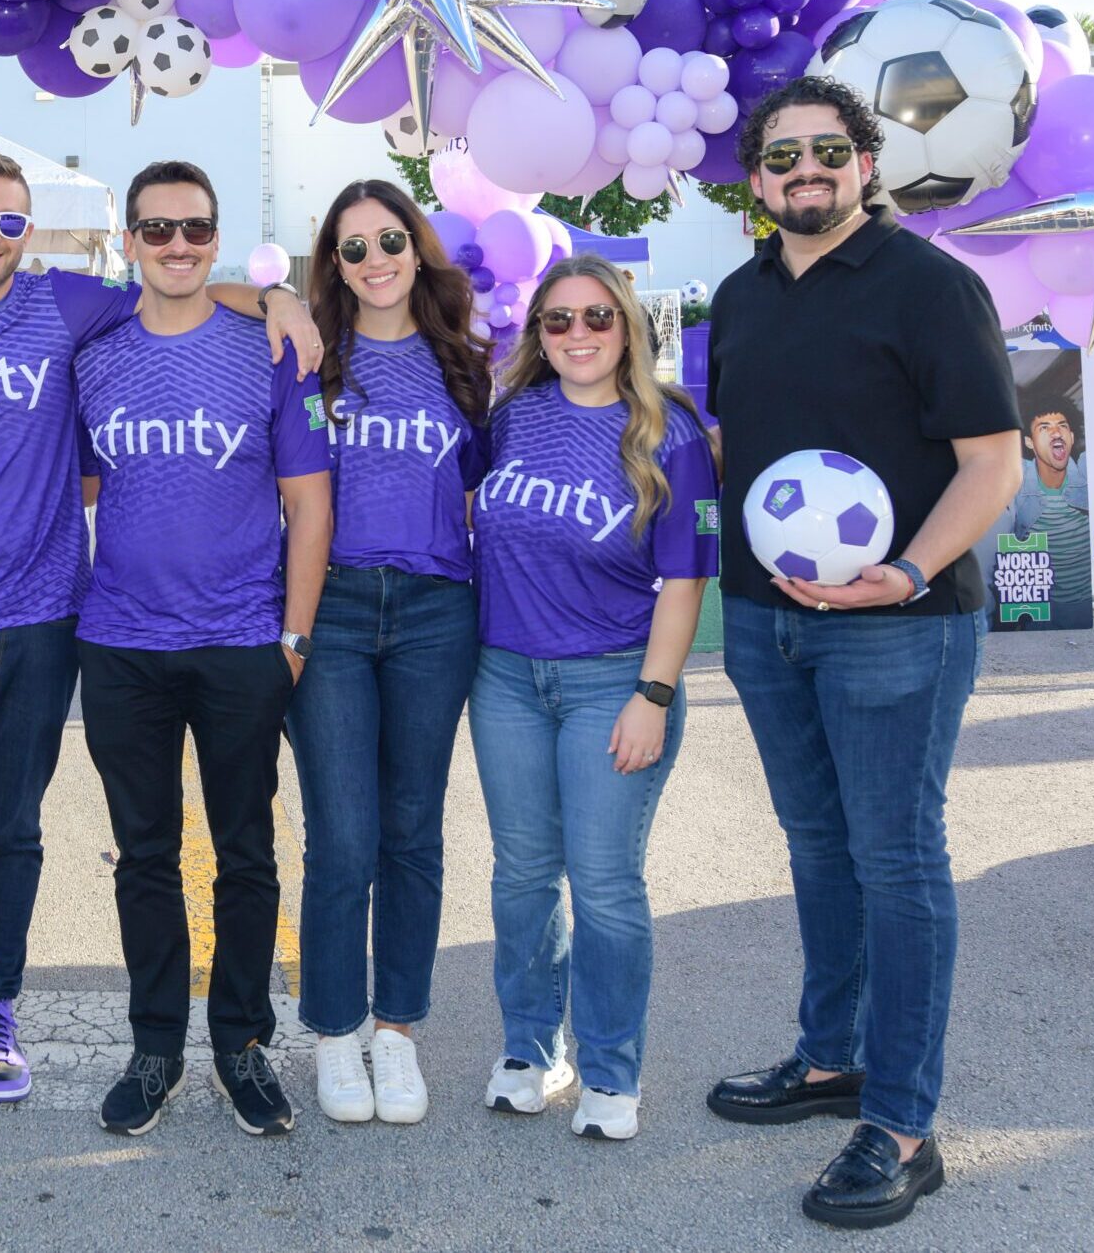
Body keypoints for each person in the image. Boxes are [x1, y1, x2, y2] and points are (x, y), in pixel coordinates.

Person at [0, 151, 317, 1113]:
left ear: (33, 235)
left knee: (48, 836)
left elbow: (185, 297)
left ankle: (57, 1020)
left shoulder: (73, 310)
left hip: (79, 621)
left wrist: (280, 299)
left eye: (10, 223)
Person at [702, 76, 1021, 1229]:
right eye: (780, 156)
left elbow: (992, 461)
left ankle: (899, 1120)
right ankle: (828, 1055)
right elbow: (740, 444)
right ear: (755, 177)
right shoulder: (737, 296)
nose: (805, 172)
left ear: (866, 160)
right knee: (817, 846)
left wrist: (910, 570)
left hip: (898, 622)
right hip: (763, 617)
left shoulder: (931, 286)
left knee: (895, 858)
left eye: (826, 151)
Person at [77, 161, 332, 1139]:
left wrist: (293, 638)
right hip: (122, 645)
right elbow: (84, 479)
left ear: (214, 238)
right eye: (157, 230)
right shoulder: (94, 351)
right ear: (130, 241)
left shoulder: (267, 346)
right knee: (144, 853)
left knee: (244, 852)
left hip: (241, 643)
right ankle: (155, 1045)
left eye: (193, 230)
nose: (176, 246)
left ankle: (241, 1041)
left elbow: (308, 500)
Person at [468, 253, 716, 1144]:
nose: (578, 335)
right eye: (558, 321)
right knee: (523, 878)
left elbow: (685, 581)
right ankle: (532, 1052)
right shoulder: (510, 419)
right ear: (538, 334)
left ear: (629, 328)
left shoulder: (671, 435)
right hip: (505, 679)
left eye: (597, 318)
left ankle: (612, 1072)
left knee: (606, 884)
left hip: (615, 679)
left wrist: (654, 693)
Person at [284, 179, 488, 1126]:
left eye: (390, 240)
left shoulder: (467, 366)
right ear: (333, 263)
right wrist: (279, 296)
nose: (374, 261)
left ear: (419, 247)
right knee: (343, 835)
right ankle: (333, 1031)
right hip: (332, 610)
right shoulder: (307, 358)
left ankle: (397, 1032)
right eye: (352, 248)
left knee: (413, 831)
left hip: (436, 614)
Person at [1004, 401, 1090, 626]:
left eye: (1061, 426)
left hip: (1087, 607)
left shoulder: (1086, 472)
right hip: (1039, 612)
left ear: (1071, 437)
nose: (1055, 432)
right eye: (1044, 427)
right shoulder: (1019, 477)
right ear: (1029, 442)